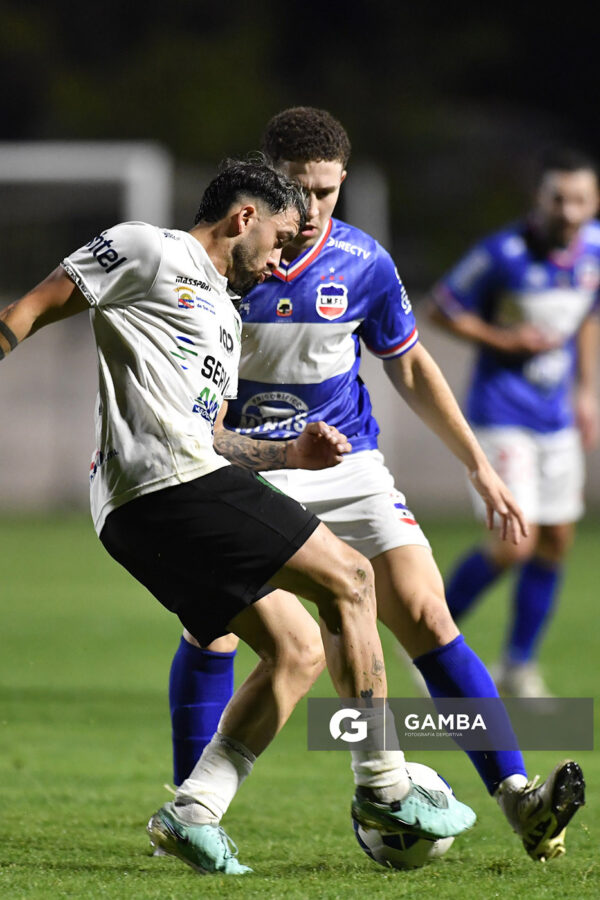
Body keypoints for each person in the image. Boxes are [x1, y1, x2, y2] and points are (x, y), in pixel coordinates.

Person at [0, 157, 482, 877]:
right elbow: (33, 305)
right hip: (165, 483)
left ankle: (195, 809)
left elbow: (215, 436)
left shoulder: (225, 320)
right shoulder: (150, 248)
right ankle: (384, 785)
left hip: (151, 504)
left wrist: (292, 452)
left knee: (298, 650)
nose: (283, 258)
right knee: (352, 580)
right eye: (282, 239)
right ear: (245, 219)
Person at [163, 109, 585, 864]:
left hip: (350, 466)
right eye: (299, 190)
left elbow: (413, 366)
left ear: (343, 183)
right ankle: (188, 809)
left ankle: (517, 796)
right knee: (219, 632)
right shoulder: (220, 262)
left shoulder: (364, 262)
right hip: (252, 466)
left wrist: (478, 466)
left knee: (427, 611)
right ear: (267, 183)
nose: (315, 208)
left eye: (327, 191)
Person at [429, 147, 600, 698]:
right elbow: (442, 306)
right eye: (559, 198)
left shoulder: (594, 249)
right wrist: (504, 339)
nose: (568, 210)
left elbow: (589, 317)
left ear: (592, 203)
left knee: (555, 539)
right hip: (501, 415)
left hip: (556, 420)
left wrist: (588, 393)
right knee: (513, 543)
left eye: (580, 199)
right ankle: (429, 639)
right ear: (541, 199)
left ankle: (518, 665)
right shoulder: (502, 251)